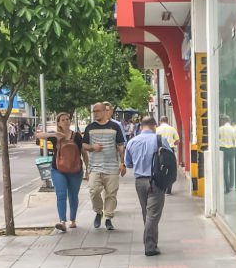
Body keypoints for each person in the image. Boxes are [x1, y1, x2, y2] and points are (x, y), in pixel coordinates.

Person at [124, 116, 167, 256]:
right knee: (153, 215)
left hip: (139, 182)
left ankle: (151, 242)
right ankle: (150, 246)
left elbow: (128, 163)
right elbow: (170, 159)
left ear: (141, 127)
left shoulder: (131, 142)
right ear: (154, 126)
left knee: (147, 213)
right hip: (156, 181)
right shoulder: (160, 140)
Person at [37, 112, 85, 232]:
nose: (66, 121)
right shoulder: (56, 136)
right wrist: (53, 134)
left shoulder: (77, 136)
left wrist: (88, 168)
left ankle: (73, 220)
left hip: (75, 169)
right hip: (58, 169)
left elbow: (83, 151)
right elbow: (38, 136)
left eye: (67, 119)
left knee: (73, 195)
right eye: (62, 120)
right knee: (61, 194)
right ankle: (62, 221)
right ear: (58, 123)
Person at [83, 102, 125, 230]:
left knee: (111, 194)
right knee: (94, 190)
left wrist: (122, 163)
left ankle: (108, 218)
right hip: (95, 166)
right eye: (94, 111)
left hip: (112, 167)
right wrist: (92, 147)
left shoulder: (114, 127)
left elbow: (120, 146)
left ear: (105, 111)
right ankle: (98, 211)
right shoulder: (90, 128)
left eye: (97, 111)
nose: (95, 113)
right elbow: (84, 145)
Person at [219, 114, 236, 193]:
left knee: (225, 169)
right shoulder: (233, 129)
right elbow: (234, 140)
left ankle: (227, 187)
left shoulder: (221, 129)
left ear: (224, 121)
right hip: (231, 150)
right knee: (232, 168)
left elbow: (218, 139)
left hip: (223, 150)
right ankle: (232, 184)